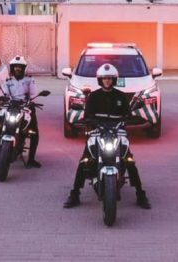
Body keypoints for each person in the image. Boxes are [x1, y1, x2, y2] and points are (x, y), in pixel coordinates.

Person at [63, 63, 151, 210]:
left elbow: (128, 114)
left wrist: (132, 119)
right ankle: (74, 194)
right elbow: (87, 115)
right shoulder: (94, 96)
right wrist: (87, 120)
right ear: (100, 80)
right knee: (85, 159)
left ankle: (140, 194)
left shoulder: (120, 96)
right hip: (98, 130)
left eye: (110, 78)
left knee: (129, 160)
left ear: (114, 79)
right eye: (104, 78)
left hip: (117, 131)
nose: (107, 81)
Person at [0, 56, 42, 168]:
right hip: (11, 105)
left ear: (23, 68)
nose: (17, 69)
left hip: (25, 105)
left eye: (19, 67)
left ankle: (31, 159)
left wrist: (32, 101)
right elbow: (5, 93)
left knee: (34, 132)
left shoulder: (29, 80)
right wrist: (3, 97)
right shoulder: (8, 81)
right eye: (15, 67)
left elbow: (33, 94)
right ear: (12, 68)